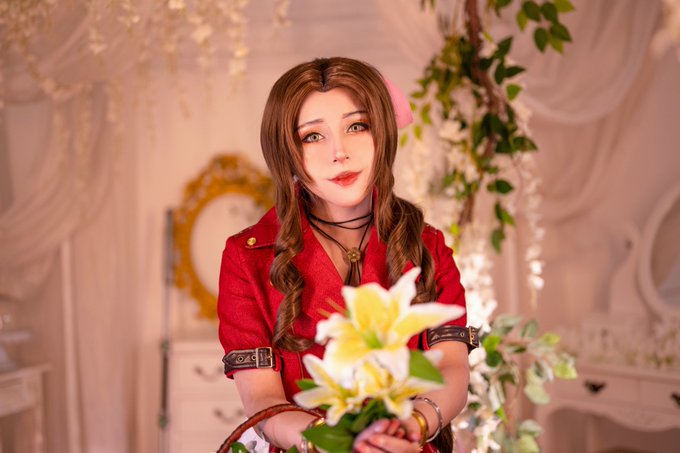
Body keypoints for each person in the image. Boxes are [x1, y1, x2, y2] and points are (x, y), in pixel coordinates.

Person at [218, 57, 477, 453]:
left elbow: (452, 368)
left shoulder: (428, 247)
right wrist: (329, 443)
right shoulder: (246, 258)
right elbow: (262, 400)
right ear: (286, 151)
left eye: (357, 126)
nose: (339, 153)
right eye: (312, 136)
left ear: (383, 132)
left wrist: (410, 426)